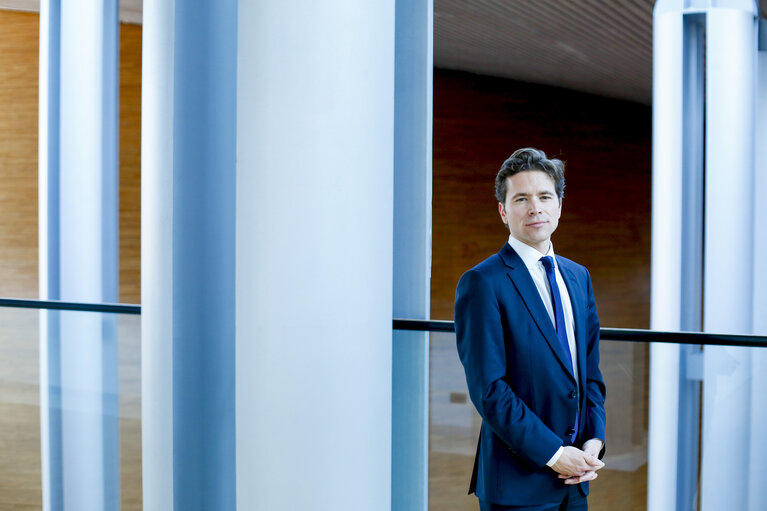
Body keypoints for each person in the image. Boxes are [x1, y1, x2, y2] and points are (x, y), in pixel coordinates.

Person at [454, 147, 607, 510]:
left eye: (544, 196)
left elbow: (590, 372)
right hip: (517, 483)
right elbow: (490, 390)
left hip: (576, 480)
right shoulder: (482, 282)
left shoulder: (578, 276)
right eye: (521, 198)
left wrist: (593, 439)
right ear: (503, 211)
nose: (535, 207)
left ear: (559, 205)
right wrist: (554, 454)